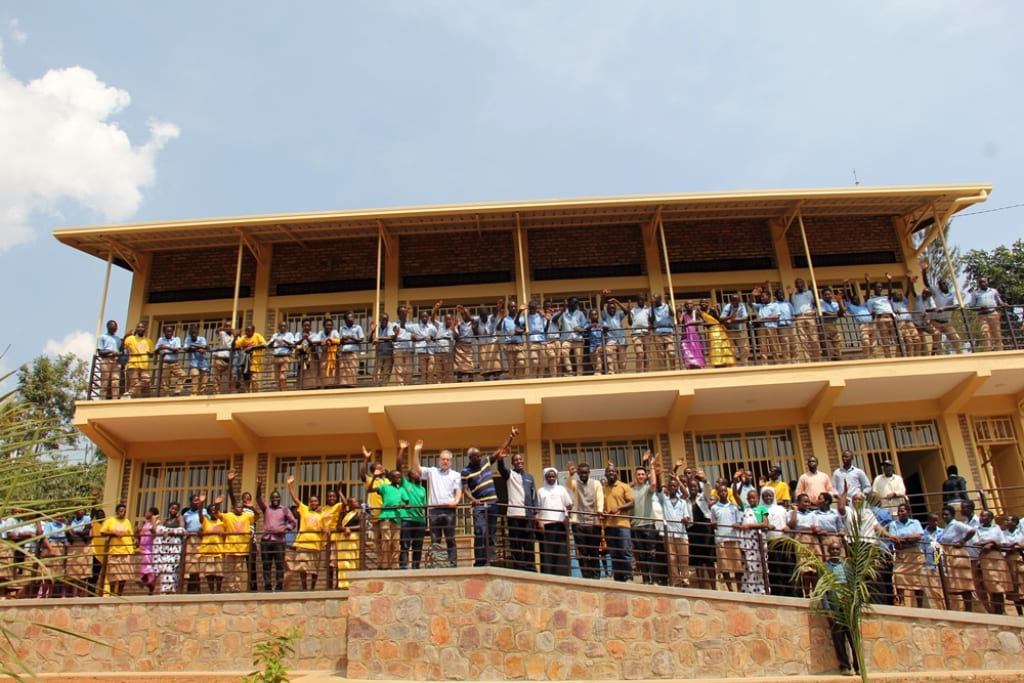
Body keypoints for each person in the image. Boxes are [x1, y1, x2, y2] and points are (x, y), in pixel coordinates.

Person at [462, 427, 518, 567]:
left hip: (493, 503)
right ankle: (479, 562)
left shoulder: (486, 461)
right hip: (479, 505)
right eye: (477, 456)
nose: (480, 458)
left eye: (480, 455)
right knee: (480, 532)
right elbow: (465, 490)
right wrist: (473, 500)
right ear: (470, 458)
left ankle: (489, 561)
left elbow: (500, 450)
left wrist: (511, 436)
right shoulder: (465, 471)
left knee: (491, 533)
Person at [411, 444, 463, 567]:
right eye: (443, 459)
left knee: (450, 538)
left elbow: (458, 490)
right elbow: (417, 468)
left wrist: (456, 501)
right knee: (435, 539)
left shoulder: (455, 475)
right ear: (439, 460)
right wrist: (416, 451)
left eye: (447, 459)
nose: (445, 461)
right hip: (434, 510)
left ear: (451, 461)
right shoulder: (432, 472)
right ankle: (436, 563)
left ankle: (452, 564)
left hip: (449, 509)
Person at [821, 540, 859, 677]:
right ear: (828, 551)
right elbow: (822, 590)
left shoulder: (847, 566)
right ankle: (844, 666)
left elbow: (853, 586)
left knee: (854, 639)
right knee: (838, 638)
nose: (835, 552)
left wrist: (855, 604)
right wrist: (827, 609)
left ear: (841, 550)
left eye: (837, 549)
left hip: (848, 606)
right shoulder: (824, 567)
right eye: (832, 549)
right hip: (835, 607)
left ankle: (858, 667)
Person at [495, 449, 537, 572]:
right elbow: (501, 469)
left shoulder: (529, 477)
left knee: (529, 542)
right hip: (514, 515)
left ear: (523, 461)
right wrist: (500, 459)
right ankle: (518, 567)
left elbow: (533, 496)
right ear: (512, 463)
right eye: (516, 460)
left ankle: (530, 567)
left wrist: (536, 513)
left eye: (520, 459)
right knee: (515, 542)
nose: (519, 461)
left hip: (528, 515)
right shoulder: (510, 475)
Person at [285, 475, 325, 590]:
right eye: (311, 501)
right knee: (303, 568)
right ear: (309, 502)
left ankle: (312, 588)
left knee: (314, 568)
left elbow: (324, 526)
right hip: (303, 543)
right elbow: (295, 500)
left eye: (315, 501)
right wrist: (289, 486)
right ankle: (304, 588)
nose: (313, 503)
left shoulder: (321, 514)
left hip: (316, 544)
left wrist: (325, 530)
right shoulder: (304, 509)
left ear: (318, 502)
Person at [256, 476, 295, 592]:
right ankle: (267, 585)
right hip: (266, 540)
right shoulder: (266, 508)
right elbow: (258, 498)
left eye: (277, 498)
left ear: (280, 499)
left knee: (279, 565)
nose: (275, 499)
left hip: (279, 541)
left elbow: (293, 522)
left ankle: (279, 585)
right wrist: (259, 486)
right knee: (266, 564)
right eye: (273, 498)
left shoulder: (284, 509)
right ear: (270, 499)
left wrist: (285, 528)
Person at [566, 461, 604, 580]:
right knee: (582, 552)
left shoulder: (596, 484)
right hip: (579, 523)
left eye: (585, 473)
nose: (583, 475)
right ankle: (586, 577)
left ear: (589, 473)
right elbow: (568, 484)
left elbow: (600, 497)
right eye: (581, 473)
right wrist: (570, 475)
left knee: (594, 552)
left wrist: (600, 510)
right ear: (578, 473)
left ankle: (596, 576)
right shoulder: (575, 484)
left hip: (593, 523)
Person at [656, 468, 691, 588]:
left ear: (677, 488)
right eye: (670, 486)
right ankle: (675, 581)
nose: (672, 488)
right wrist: (657, 476)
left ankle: (685, 580)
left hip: (681, 533)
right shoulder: (664, 500)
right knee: (672, 559)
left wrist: (685, 519)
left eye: (675, 486)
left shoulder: (682, 502)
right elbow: (658, 489)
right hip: (669, 534)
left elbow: (687, 516)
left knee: (684, 558)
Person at [631, 452, 663, 585]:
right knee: (641, 554)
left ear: (645, 476)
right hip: (635, 526)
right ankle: (645, 580)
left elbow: (654, 484)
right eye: (638, 474)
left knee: (651, 553)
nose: (640, 476)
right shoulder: (631, 490)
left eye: (642, 474)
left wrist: (651, 466)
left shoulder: (648, 489)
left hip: (648, 524)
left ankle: (654, 579)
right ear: (635, 476)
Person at [937, 503, 976, 612]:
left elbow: (972, 530)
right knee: (957, 583)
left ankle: (969, 609)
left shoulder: (956, 524)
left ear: (952, 515)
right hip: (949, 555)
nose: (944, 517)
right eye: (943, 515)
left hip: (958, 553)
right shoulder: (946, 527)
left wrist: (962, 541)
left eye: (947, 514)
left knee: (964, 582)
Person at [535, 467, 573, 576]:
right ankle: (547, 576)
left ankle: (562, 576)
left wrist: (567, 514)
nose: (551, 478)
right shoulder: (541, 491)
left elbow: (569, 504)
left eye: (553, 476)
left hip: (559, 525)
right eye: (549, 476)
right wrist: (540, 522)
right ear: (545, 477)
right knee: (546, 553)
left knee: (560, 552)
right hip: (546, 527)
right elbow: (537, 509)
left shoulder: (561, 489)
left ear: (556, 477)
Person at [972, 509, 1010, 614]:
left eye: (983, 516)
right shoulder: (977, 530)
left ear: (989, 518)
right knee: (992, 584)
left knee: (1000, 583)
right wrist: (990, 541)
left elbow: (1003, 543)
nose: (980, 517)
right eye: (980, 515)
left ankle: (1001, 609)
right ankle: (995, 610)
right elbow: (976, 543)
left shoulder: (996, 528)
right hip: (985, 558)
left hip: (997, 556)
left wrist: (992, 543)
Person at [921, 261, 963, 354]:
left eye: (944, 284)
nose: (943, 286)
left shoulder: (952, 294)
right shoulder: (936, 292)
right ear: (939, 287)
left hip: (947, 323)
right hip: (936, 323)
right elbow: (926, 283)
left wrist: (944, 308)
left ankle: (961, 356)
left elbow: (956, 305)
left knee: (956, 339)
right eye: (941, 285)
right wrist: (924, 271)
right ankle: (938, 357)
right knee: (937, 343)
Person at [602, 464, 635, 582]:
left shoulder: (624, 486)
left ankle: (628, 577)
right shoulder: (603, 489)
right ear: (605, 474)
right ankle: (618, 579)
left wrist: (619, 508)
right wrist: (604, 512)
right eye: (608, 472)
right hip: (609, 526)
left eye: (613, 471)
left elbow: (631, 503)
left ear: (617, 473)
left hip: (622, 525)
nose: (611, 473)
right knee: (614, 554)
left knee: (625, 552)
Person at [889, 502, 925, 607]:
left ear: (908, 512)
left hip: (915, 554)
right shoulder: (893, 524)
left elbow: (918, 537)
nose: (900, 513)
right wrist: (909, 538)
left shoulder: (915, 522)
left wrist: (903, 539)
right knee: (899, 575)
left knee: (917, 579)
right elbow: (894, 539)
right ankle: (902, 603)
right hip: (901, 554)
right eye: (899, 511)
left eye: (902, 511)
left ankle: (920, 605)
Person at [399, 440, 428, 570]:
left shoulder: (422, 489)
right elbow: (398, 467)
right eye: (415, 472)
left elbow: (424, 506)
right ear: (410, 476)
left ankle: (416, 567)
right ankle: (404, 566)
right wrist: (402, 449)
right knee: (405, 545)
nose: (418, 474)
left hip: (420, 520)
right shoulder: (406, 484)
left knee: (418, 546)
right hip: (407, 519)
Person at [709, 482, 743, 592]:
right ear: (718, 493)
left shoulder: (733, 507)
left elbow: (739, 521)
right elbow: (713, 521)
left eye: (725, 491)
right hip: (721, 539)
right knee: (724, 566)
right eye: (721, 491)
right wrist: (713, 524)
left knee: (737, 565)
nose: (723, 493)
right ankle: (730, 589)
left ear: (727, 493)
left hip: (733, 538)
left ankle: (739, 588)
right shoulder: (714, 508)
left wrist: (737, 524)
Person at [98, 503, 135, 596]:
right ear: (117, 512)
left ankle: (119, 594)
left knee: (124, 576)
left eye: (125, 512)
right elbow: (102, 532)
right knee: (113, 576)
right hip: (114, 552)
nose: (123, 513)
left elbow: (131, 534)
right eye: (121, 511)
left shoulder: (127, 521)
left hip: (125, 551)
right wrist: (113, 533)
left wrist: (134, 540)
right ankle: (112, 594)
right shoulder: (110, 521)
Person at [738, 488, 767, 594]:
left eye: (753, 498)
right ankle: (750, 589)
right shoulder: (746, 508)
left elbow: (764, 523)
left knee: (760, 564)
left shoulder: (762, 508)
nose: (751, 500)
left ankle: (762, 589)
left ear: (758, 498)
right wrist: (736, 482)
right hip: (747, 540)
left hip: (758, 539)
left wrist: (750, 526)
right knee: (749, 564)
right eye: (749, 498)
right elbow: (735, 495)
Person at [154, 501, 186, 594]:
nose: (173, 510)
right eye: (172, 508)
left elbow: (182, 529)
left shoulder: (179, 519)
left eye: (176, 509)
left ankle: (171, 588)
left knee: (171, 567)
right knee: (164, 568)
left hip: (174, 546)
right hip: (165, 547)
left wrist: (170, 532)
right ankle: (164, 589)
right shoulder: (166, 521)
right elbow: (158, 530)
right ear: (169, 509)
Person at [967, 276, 1005, 352]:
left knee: (997, 334)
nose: (982, 283)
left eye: (984, 282)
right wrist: (980, 308)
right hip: (982, 315)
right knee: (985, 333)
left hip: (992, 314)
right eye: (980, 282)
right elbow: (971, 307)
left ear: (987, 282)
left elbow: (999, 301)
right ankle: (988, 352)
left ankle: (1000, 351)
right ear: (978, 284)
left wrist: (1003, 304)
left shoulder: (993, 291)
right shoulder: (975, 293)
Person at [198, 496, 227, 593]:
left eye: (215, 510)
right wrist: (201, 504)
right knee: (209, 573)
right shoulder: (206, 521)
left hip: (218, 550)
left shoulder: (221, 521)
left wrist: (217, 504)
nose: (214, 512)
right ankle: (211, 591)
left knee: (219, 573)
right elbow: (200, 515)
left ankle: (218, 590)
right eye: (212, 510)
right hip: (208, 550)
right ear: (209, 512)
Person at [790, 278, 820, 363]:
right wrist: (790, 294)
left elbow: (815, 304)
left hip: (809, 316)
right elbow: (792, 305)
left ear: (803, 284)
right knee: (803, 340)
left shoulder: (809, 293)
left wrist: (815, 313)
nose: (799, 284)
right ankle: (808, 360)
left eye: (801, 283)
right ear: (795, 285)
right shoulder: (793, 296)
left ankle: (816, 359)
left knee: (814, 339)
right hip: (799, 317)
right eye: (797, 283)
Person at [555, 297, 587, 376]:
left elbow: (585, 326)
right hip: (567, 338)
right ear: (569, 303)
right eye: (574, 302)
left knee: (579, 358)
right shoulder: (563, 313)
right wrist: (562, 310)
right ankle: (570, 371)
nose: (576, 304)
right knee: (564, 352)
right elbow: (555, 320)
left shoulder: (580, 313)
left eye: (577, 303)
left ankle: (579, 375)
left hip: (578, 338)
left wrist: (580, 329)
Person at [64, 508, 92, 596]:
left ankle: (82, 594)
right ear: (75, 511)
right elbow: (67, 531)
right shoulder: (71, 519)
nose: (82, 511)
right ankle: (71, 594)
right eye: (80, 510)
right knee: (72, 571)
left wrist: (75, 532)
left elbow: (86, 532)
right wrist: (74, 533)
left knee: (83, 571)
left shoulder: (87, 519)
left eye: (83, 510)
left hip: (83, 545)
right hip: (73, 545)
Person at [335, 496, 362, 589]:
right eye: (354, 502)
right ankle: (343, 583)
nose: (356, 503)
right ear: (350, 504)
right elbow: (338, 527)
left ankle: (353, 583)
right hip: (343, 539)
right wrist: (344, 529)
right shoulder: (343, 514)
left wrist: (349, 528)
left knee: (353, 559)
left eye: (357, 501)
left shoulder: (359, 513)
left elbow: (361, 526)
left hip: (354, 538)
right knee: (343, 562)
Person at [122, 322, 153, 399]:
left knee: (146, 381)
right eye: (138, 327)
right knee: (134, 383)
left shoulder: (148, 341)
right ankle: (130, 396)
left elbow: (151, 354)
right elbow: (122, 347)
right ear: (136, 329)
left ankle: (130, 393)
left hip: (144, 367)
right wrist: (125, 337)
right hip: (133, 365)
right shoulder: (131, 338)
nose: (140, 329)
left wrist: (150, 353)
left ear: (145, 329)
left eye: (142, 327)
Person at [155, 324, 186, 396]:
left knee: (183, 375)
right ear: (164, 332)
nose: (169, 333)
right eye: (167, 331)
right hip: (165, 363)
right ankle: (166, 396)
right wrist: (160, 348)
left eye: (171, 331)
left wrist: (166, 347)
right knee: (165, 381)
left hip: (174, 363)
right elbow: (155, 351)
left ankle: (177, 392)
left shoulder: (176, 339)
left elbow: (177, 350)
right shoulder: (161, 339)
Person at [719, 294, 750, 366]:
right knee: (731, 350)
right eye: (732, 300)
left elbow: (745, 318)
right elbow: (721, 318)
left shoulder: (742, 306)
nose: (734, 302)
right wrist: (731, 317)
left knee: (744, 349)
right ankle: (732, 366)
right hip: (729, 331)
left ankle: (745, 365)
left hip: (739, 331)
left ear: (739, 300)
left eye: (736, 300)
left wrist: (732, 320)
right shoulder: (728, 306)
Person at [235, 324, 267, 392]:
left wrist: (252, 347)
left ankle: (255, 394)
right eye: (246, 331)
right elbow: (236, 346)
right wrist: (235, 336)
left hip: (254, 362)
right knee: (246, 382)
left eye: (248, 331)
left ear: (253, 331)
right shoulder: (244, 338)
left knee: (254, 380)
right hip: (245, 364)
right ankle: (247, 395)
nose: (247, 332)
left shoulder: (257, 336)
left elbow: (264, 344)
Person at [96, 319, 123, 399]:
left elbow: (121, 351)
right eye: (113, 326)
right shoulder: (102, 337)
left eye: (116, 326)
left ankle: (115, 399)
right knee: (105, 382)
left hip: (115, 361)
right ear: (108, 326)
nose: (115, 328)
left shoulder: (118, 339)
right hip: (106, 361)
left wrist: (118, 353)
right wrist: (110, 352)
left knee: (115, 382)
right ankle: (102, 399)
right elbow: (100, 352)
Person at [338, 311, 365, 387]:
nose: (352, 319)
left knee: (352, 370)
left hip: (353, 352)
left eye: (353, 317)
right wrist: (343, 339)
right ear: (345, 320)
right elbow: (340, 341)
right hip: (344, 352)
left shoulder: (358, 327)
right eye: (350, 317)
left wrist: (351, 337)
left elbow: (361, 339)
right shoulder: (342, 328)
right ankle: (344, 386)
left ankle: (352, 386)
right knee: (343, 371)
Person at [410, 309, 437, 384]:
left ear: (428, 317)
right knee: (423, 372)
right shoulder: (417, 327)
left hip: (430, 352)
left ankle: (430, 386)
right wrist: (413, 337)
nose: (424, 318)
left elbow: (436, 337)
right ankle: (424, 386)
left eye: (426, 316)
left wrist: (431, 337)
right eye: (423, 317)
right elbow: (412, 335)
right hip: (421, 352)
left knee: (431, 370)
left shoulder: (432, 327)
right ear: (420, 318)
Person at [677, 302, 706, 370]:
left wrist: (691, 323)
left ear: (693, 305)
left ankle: (698, 364)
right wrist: (677, 312)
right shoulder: (684, 314)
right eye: (687, 304)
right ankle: (690, 365)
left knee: (697, 350)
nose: (688, 305)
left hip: (695, 335)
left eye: (690, 304)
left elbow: (702, 321)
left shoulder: (695, 312)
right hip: (686, 336)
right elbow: (679, 322)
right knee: (685, 349)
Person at [268, 320, 295, 392]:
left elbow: (293, 345)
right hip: (276, 357)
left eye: (284, 326)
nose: (283, 327)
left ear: (287, 327)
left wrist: (284, 341)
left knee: (283, 377)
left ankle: (284, 391)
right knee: (277, 378)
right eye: (281, 326)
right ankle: (278, 391)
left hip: (284, 357)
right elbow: (269, 345)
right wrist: (274, 341)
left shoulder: (289, 334)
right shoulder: (275, 335)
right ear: (279, 327)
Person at [430, 305, 455, 383]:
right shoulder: (440, 325)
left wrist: (453, 330)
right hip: (438, 352)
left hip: (447, 353)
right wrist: (435, 309)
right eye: (446, 319)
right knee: (439, 372)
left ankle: (447, 387)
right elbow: (432, 319)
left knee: (447, 372)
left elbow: (457, 336)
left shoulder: (454, 327)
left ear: (452, 320)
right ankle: (439, 385)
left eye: (449, 319)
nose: (448, 321)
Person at [183, 325, 211, 395]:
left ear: (197, 333)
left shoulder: (202, 339)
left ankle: (201, 393)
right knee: (195, 375)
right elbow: (185, 349)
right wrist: (198, 348)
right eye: (192, 333)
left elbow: (205, 347)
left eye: (195, 333)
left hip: (203, 362)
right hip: (193, 362)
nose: (194, 335)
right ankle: (194, 393)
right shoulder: (187, 339)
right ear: (190, 334)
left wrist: (193, 345)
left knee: (204, 379)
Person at [627, 293, 651, 373]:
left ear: (644, 300)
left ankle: (646, 373)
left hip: (646, 333)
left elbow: (651, 320)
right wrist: (629, 311)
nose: (640, 300)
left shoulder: (648, 310)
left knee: (647, 355)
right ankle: (638, 373)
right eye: (639, 299)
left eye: (642, 299)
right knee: (640, 353)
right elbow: (630, 323)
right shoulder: (633, 310)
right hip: (636, 334)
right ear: (636, 300)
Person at [210, 322, 236, 393]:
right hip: (220, 359)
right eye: (226, 326)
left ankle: (231, 393)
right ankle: (216, 393)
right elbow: (217, 331)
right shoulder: (222, 333)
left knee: (232, 376)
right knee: (217, 377)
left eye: (229, 326)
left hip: (230, 360)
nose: (228, 327)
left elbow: (236, 343)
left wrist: (235, 334)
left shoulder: (233, 335)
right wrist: (223, 329)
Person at [138, 507, 159, 594]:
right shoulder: (146, 523)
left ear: (151, 514)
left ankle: (144, 582)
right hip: (144, 549)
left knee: (148, 568)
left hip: (150, 549)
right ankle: (149, 586)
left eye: (147, 512)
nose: (146, 514)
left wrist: (154, 519)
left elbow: (155, 531)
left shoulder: (156, 522)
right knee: (146, 568)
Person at [453, 305, 476, 381]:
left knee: (470, 368)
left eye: (466, 313)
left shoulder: (473, 322)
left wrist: (464, 311)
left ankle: (471, 384)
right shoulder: (459, 323)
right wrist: (457, 326)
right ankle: (460, 384)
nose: (464, 315)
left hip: (468, 346)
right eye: (463, 314)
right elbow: (455, 336)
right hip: (460, 346)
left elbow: (472, 320)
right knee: (459, 369)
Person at [392, 307, 414, 385]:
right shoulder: (394, 325)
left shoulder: (411, 324)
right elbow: (392, 338)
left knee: (409, 370)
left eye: (405, 312)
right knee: (399, 371)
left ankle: (407, 387)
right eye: (402, 312)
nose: (404, 314)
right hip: (398, 350)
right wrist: (396, 334)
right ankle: (400, 388)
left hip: (408, 350)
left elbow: (414, 335)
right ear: (398, 314)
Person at [371, 312, 395, 386]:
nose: (385, 321)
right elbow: (371, 341)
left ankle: (384, 387)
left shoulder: (390, 325)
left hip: (388, 354)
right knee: (376, 373)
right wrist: (372, 332)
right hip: (379, 354)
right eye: (383, 320)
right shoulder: (377, 327)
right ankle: (376, 388)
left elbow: (390, 337)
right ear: (380, 320)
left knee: (386, 373)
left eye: (386, 320)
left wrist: (378, 338)